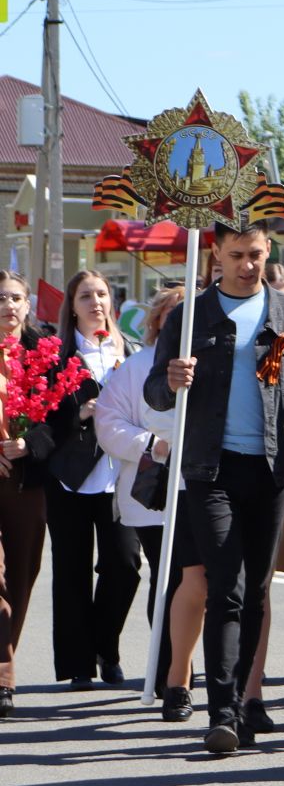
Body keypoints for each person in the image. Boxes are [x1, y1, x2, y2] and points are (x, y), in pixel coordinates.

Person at [147, 228, 284, 753]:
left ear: (268, 252)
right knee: (225, 586)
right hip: (211, 469)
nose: (247, 265)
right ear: (216, 256)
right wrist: (172, 379)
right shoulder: (191, 316)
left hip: (271, 469)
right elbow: (154, 391)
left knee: (257, 591)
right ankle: (221, 711)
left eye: (255, 255)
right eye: (236, 256)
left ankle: (249, 703)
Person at [94, 289, 201, 721]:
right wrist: (151, 444)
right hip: (152, 493)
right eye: (174, 316)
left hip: (199, 488)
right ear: (158, 322)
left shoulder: (206, 366)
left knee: (193, 580)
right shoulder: (139, 367)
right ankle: (169, 670)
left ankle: (176, 669)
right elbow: (108, 421)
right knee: (169, 577)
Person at [40, 271, 138, 691]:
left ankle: (106, 648)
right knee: (71, 570)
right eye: (85, 296)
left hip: (121, 476)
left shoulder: (129, 352)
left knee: (125, 565)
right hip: (70, 477)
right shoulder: (56, 355)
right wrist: (77, 414)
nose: (96, 302)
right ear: (72, 306)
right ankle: (79, 664)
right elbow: (39, 418)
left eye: (101, 294)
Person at [0, 271, 50, 716]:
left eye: (15, 298)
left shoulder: (44, 353)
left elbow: (64, 423)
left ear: (28, 304)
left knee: (20, 575)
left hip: (26, 482)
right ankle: (3, 680)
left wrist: (30, 443)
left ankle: (3, 656)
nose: (8, 306)